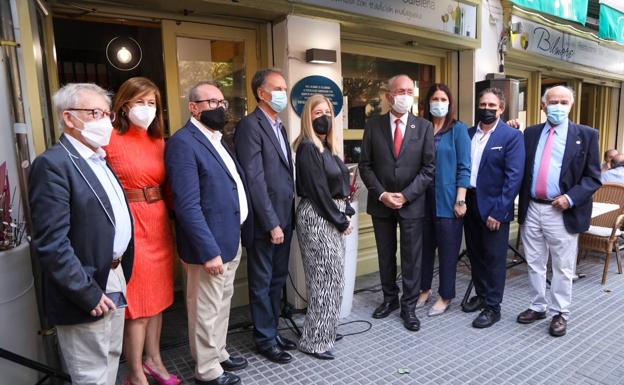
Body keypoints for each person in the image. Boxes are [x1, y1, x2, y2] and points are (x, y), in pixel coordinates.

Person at [29, 83, 134, 385]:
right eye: (94, 112)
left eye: (106, 113)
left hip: (113, 274)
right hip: (85, 286)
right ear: (69, 118)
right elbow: (51, 243)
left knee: (111, 358)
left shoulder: (98, 158)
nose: (104, 121)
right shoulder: (53, 165)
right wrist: (86, 291)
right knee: (91, 374)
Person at [165, 82, 252, 385]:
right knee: (204, 309)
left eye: (221, 101)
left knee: (222, 303)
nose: (220, 107)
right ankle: (207, 370)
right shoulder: (183, 143)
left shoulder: (217, 138)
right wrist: (208, 251)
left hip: (231, 237)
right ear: (194, 107)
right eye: (211, 102)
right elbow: (187, 206)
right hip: (210, 247)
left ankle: (218, 352)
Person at [105, 77, 180, 385]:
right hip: (131, 224)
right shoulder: (108, 139)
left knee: (160, 298)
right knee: (137, 304)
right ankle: (135, 372)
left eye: (152, 103)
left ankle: (154, 359)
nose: (147, 109)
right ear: (124, 104)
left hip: (159, 221)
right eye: (140, 102)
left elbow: (170, 186)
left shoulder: (159, 141)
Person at [517, 85, 601, 337]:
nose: (558, 106)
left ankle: (560, 313)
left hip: (561, 210)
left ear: (571, 105)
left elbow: (593, 177)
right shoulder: (530, 133)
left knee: (563, 267)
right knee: (534, 262)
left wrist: (570, 198)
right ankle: (538, 306)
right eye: (553, 101)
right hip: (532, 207)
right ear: (543, 105)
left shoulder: (586, 135)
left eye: (564, 102)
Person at [359, 74, 435, 331]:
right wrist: (382, 194)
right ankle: (389, 299)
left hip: (411, 204)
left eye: (408, 91)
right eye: (399, 91)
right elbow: (365, 166)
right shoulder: (373, 126)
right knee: (385, 255)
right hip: (381, 204)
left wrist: (405, 195)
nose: (404, 95)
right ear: (389, 95)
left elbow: (428, 168)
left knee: (412, 257)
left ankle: (409, 307)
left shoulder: (423, 127)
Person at [234, 69, 296, 363]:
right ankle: (264, 339)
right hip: (266, 221)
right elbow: (254, 179)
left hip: (285, 217)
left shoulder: (278, 125)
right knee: (262, 281)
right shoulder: (250, 126)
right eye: (279, 87)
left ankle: (273, 331)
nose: (284, 92)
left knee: (277, 280)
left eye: (285, 87)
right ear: (262, 93)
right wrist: (272, 222)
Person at [293, 95, 354, 360]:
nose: (323, 116)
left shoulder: (327, 147)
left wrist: (346, 211)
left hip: (332, 214)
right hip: (319, 217)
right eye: (317, 112)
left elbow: (338, 184)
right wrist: (340, 220)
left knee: (333, 279)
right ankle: (314, 341)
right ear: (308, 117)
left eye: (327, 111)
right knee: (325, 280)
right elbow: (318, 192)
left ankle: (324, 329)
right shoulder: (308, 148)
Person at [462, 88, 525, 329]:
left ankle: (493, 307)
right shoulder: (468, 134)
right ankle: (481, 295)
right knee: (475, 254)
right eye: (482, 104)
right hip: (469, 202)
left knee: (494, 258)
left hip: (495, 206)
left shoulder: (511, 136)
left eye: (491, 105)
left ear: (501, 109)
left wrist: (499, 211)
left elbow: (514, 177)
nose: (486, 109)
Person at [417, 84, 471, 316]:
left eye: (443, 98)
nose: (439, 102)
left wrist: (461, 199)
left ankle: (446, 295)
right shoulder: (421, 128)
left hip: (448, 200)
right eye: (435, 98)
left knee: (448, 251)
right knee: (424, 249)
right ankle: (423, 289)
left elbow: (464, 166)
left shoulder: (458, 130)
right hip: (421, 199)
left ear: (449, 103)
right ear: (427, 102)